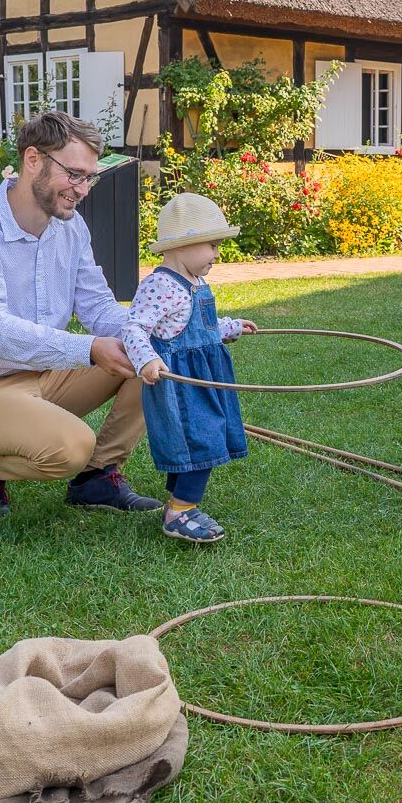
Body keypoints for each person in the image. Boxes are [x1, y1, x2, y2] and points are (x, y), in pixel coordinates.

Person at [0, 110, 160, 519]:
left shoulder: (71, 229)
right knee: (70, 447)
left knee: (152, 353)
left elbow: (99, 307)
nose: (83, 189)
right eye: (74, 174)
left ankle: (97, 477)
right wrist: (89, 349)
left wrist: (154, 333)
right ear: (32, 160)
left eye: (89, 177)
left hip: (45, 376)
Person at [123, 193, 256, 544]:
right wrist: (147, 359)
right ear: (183, 246)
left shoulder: (195, 281)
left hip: (205, 378)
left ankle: (180, 502)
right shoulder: (160, 285)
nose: (217, 253)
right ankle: (180, 512)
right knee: (200, 437)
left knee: (204, 435)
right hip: (181, 385)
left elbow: (201, 328)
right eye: (212, 245)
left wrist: (230, 327)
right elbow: (134, 327)